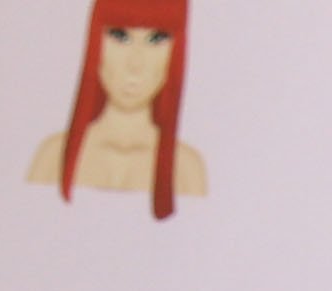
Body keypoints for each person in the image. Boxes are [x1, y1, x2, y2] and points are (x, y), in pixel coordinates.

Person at [26, 0, 205, 220]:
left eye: (157, 38)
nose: (135, 64)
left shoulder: (186, 169)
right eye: (120, 36)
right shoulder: (52, 156)